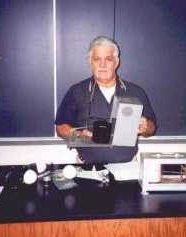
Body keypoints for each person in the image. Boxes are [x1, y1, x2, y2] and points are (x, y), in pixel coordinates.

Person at [55, 36, 157, 164]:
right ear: (90, 61)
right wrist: (77, 136)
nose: (103, 65)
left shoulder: (136, 92)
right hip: (87, 168)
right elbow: (60, 128)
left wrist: (146, 127)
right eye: (97, 59)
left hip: (127, 167)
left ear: (116, 62)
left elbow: (152, 128)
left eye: (108, 59)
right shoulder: (76, 92)